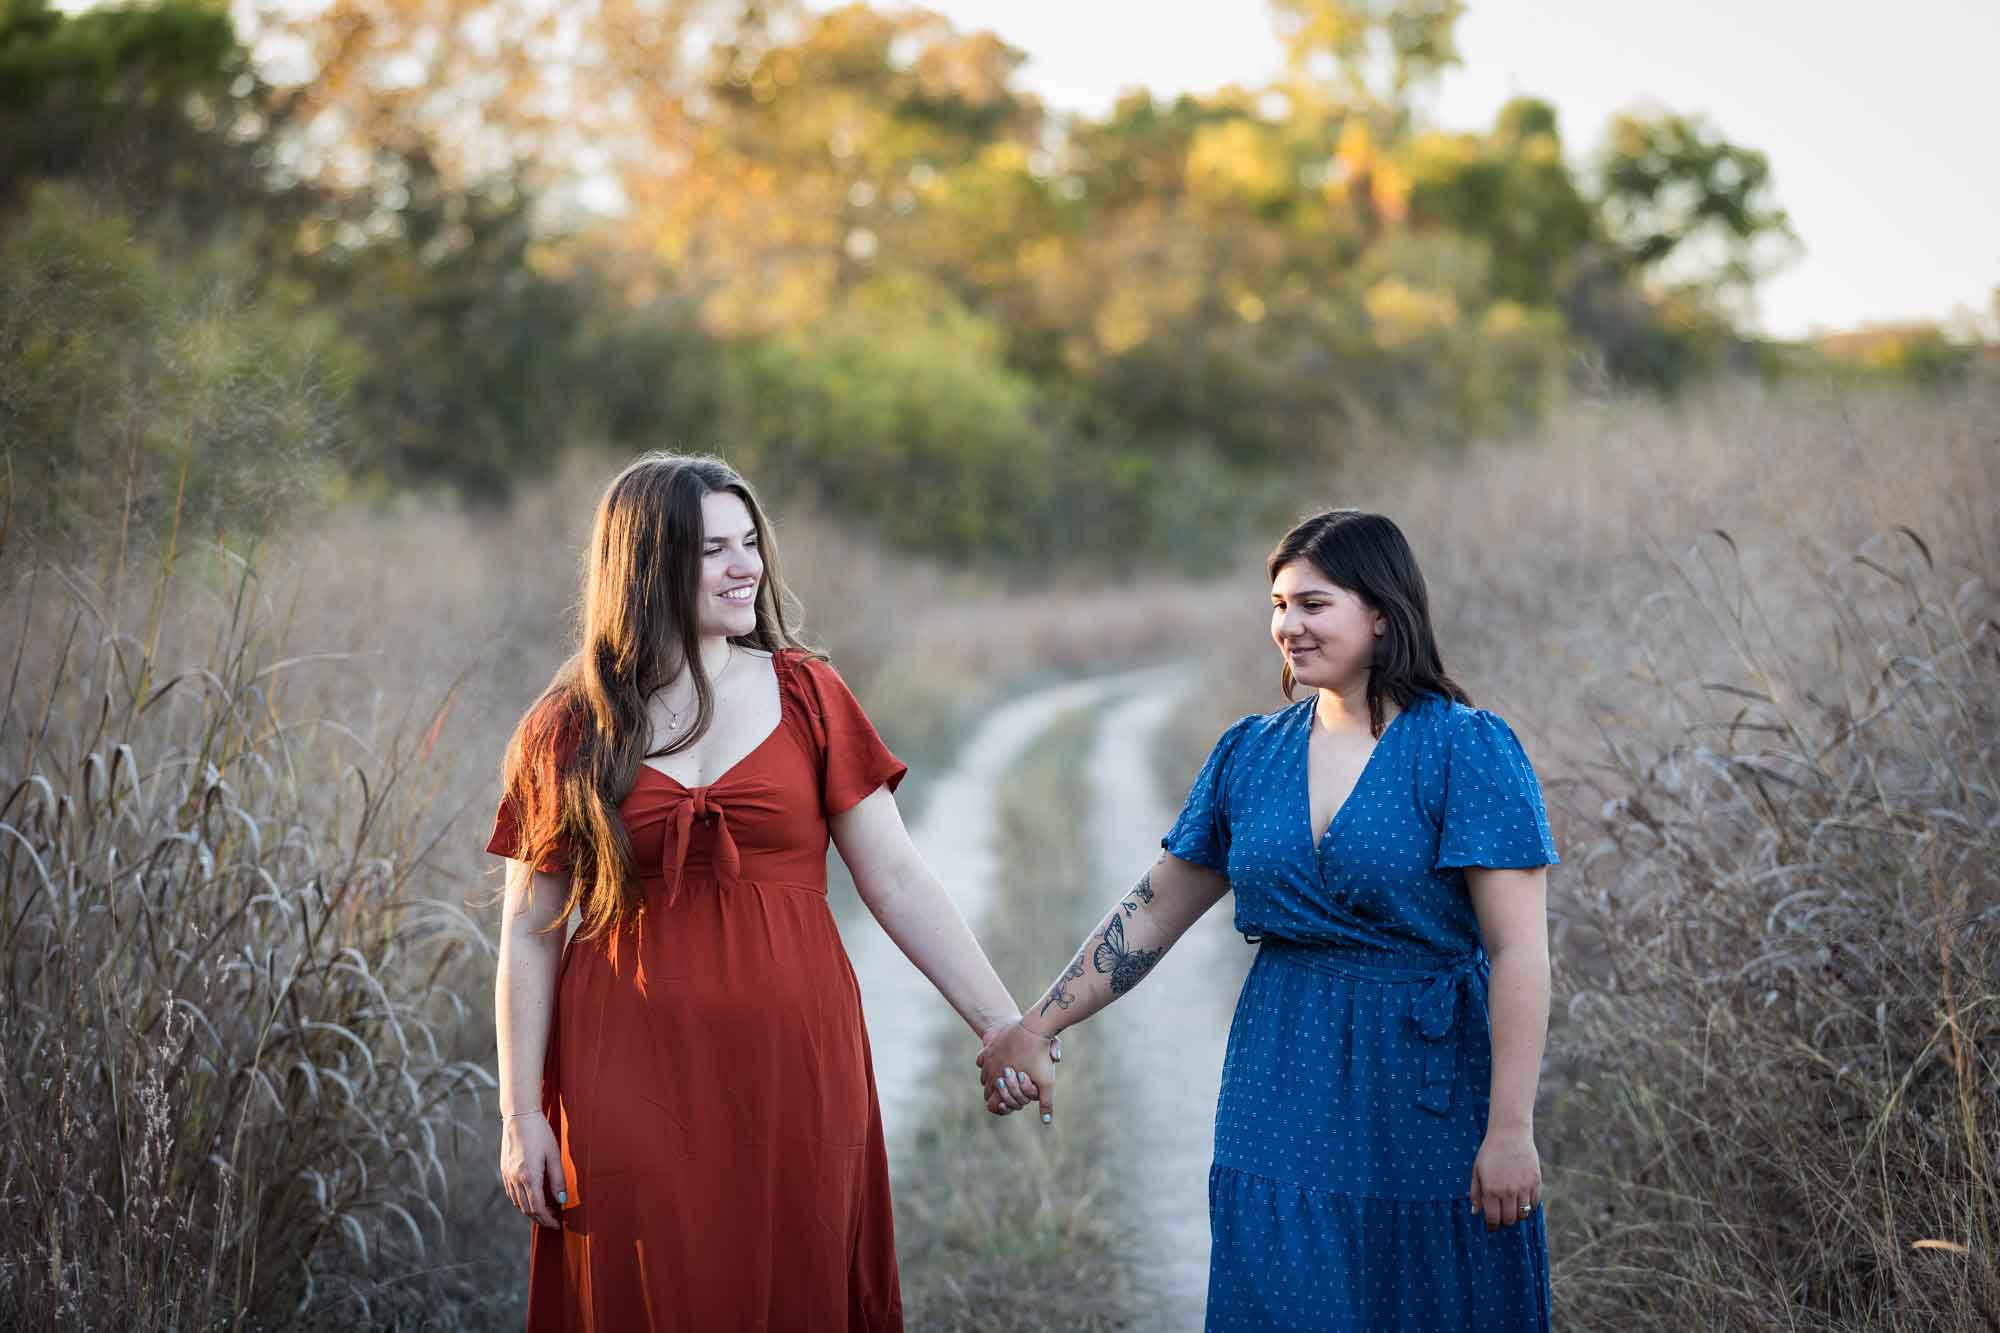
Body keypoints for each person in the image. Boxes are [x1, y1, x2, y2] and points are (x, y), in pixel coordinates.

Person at [978, 509, 1558, 1330]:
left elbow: (1518, 950)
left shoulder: (1467, 749)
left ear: (1383, 611)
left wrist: (1510, 1129)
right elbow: (1153, 910)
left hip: (1427, 1089)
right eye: (1279, 605)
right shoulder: (1251, 752)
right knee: (1287, 1290)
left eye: (1314, 604)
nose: (1288, 626)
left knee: (1432, 1293)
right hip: (1283, 1076)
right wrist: (1036, 1024)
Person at [488, 453, 1025, 1331]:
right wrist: (520, 1116)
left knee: (797, 1282)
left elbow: (894, 877)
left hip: (797, 1067)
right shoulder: (570, 728)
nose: (748, 567)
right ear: (645, 564)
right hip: (623, 1071)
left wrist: (999, 1020)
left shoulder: (809, 693)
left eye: (751, 543)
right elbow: (527, 932)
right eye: (713, 550)